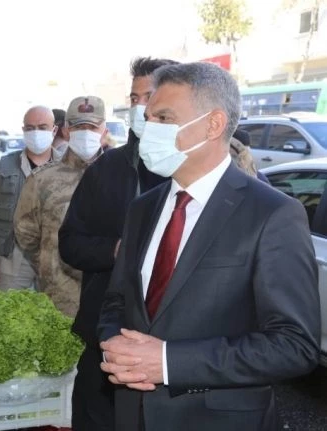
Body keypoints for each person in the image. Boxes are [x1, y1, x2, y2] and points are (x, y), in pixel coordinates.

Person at [98, 62, 320, 431]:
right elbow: (116, 301)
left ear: (213, 124)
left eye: (164, 118)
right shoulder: (142, 209)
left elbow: (294, 345)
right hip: (133, 413)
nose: (148, 129)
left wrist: (168, 362)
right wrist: (115, 347)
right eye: (148, 118)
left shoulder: (272, 214)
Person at [58, 56, 178, 431]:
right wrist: (116, 250)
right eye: (134, 98)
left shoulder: (198, 174)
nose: (141, 108)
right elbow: (70, 244)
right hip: (105, 335)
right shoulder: (106, 169)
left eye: (149, 97)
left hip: (173, 349)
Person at [14, 96, 107, 317]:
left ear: (104, 130)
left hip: (107, 301)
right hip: (59, 300)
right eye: (78, 127)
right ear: (66, 130)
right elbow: (25, 233)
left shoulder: (121, 176)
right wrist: (50, 263)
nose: (85, 133)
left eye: (92, 127)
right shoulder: (42, 179)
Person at [0, 106, 57, 290]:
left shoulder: (67, 167)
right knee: (7, 308)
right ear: (23, 130)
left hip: (55, 264)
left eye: (42, 127)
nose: (36, 132)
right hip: (12, 261)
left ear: (54, 130)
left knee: (53, 309)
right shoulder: (4, 166)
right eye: (30, 128)